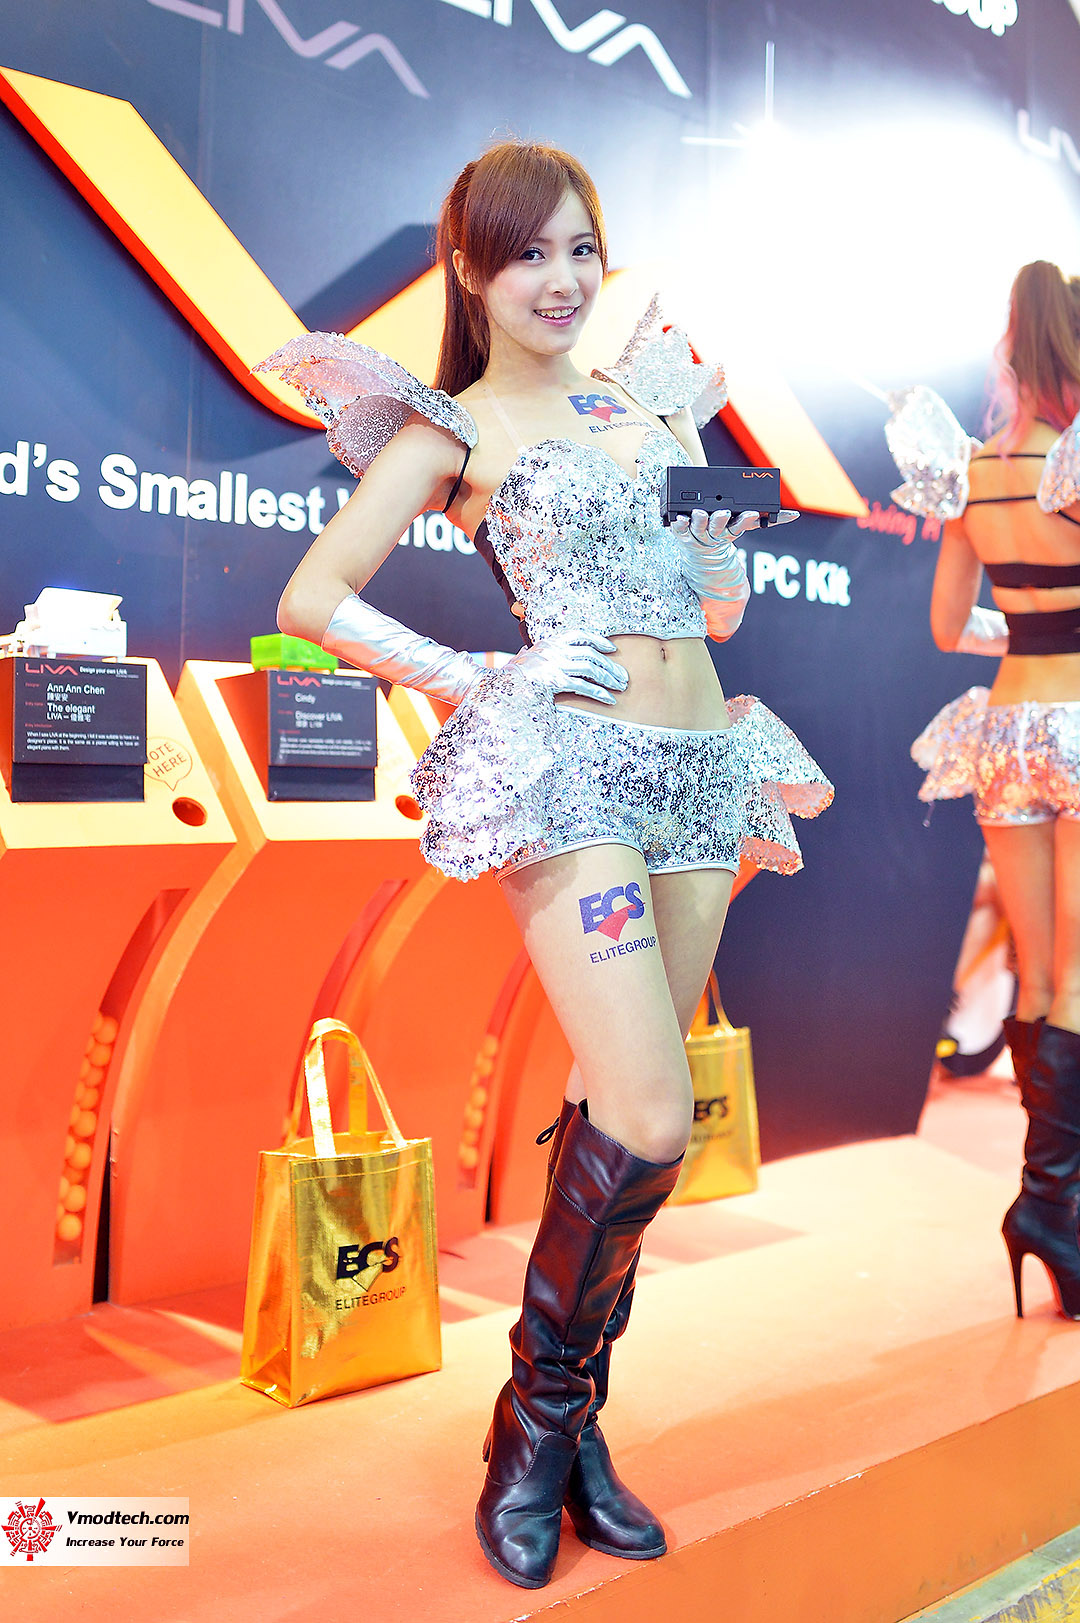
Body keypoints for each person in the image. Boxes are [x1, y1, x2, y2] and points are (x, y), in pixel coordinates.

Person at [260, 140, 832, 1590]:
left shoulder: (643, 401)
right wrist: (478, 672)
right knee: (650, 1110)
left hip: (702, 770)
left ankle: (569, 1430)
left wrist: (715, 561)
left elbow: (704, 605)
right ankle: (530, 1429)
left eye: (582, 248)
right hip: (576, 779)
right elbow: (314, 594)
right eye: (528, 255)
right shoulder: (454, 427)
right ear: (471, 270)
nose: (563, 279)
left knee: (626, 1110)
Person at [890, 260, 1080, 1321]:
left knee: (1037, 973)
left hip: (1005, 727)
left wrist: (1028, 625)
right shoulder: (1074, 461)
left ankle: (1047, 1202)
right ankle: (1055, 1204)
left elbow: (945, 626)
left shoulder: (971, 472)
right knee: (1077, 976)